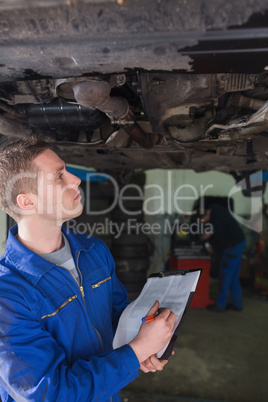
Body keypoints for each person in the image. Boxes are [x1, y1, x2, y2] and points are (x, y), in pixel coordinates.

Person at [0, 135, 176, 401]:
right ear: (27, 202)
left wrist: (148, 340)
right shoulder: (8, 294)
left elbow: (116, 317)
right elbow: (50, 393)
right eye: (59, 176)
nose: (76, 179)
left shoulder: (93, 251)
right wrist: (137, 351)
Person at [201, 203, 246, 312]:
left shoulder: (216, 218)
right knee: (234, 276)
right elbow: (220, 231)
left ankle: (220, 305)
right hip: (240, 243)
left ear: (206, 214)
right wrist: (211, 235)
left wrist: (211, 247)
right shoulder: (219, 211)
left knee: (224, 276)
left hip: (232, 247)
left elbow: (220, 239)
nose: (205, 222)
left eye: (204, 220)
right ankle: (237, 304)